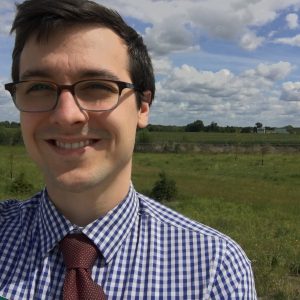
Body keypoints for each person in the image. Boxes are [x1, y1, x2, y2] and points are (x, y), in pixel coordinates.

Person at [0, 0, 257, 299]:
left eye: (97, 86)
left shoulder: (212, 268)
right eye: (39, 87)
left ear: (142, 107)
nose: (66, 114)